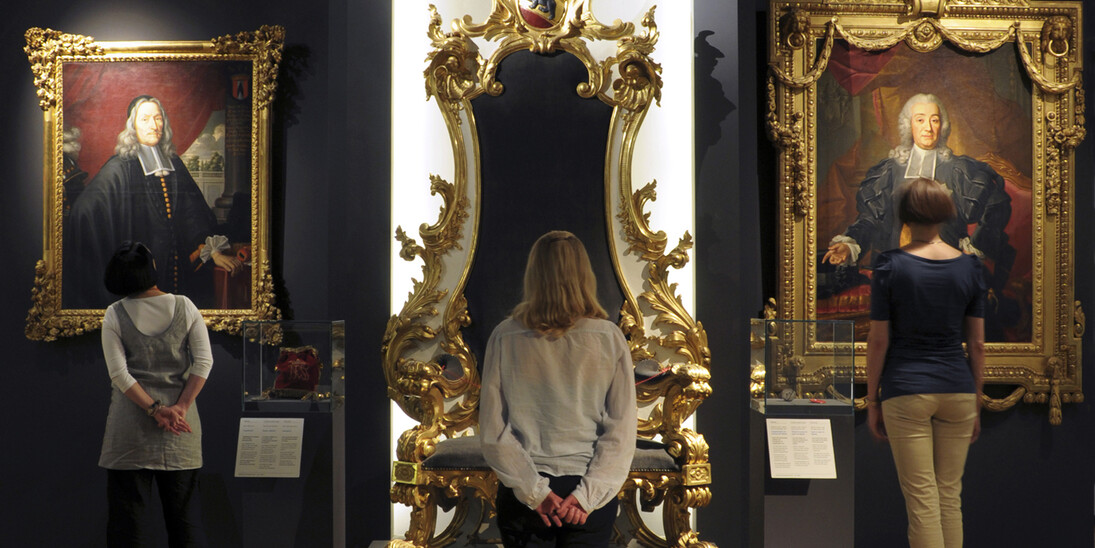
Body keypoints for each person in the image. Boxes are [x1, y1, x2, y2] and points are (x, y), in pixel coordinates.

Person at [480, 230, 637, 546]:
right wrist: (586, 497)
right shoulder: (608, 337)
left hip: (526, 498)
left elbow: (493, 431)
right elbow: (621, 431)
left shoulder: (505, 336)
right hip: (585, 496)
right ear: (583, 273)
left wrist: (535, 492)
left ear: (534, 273)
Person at [866, 178, 985, 548]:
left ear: (904, 215)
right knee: (949, 497)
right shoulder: (970, 268)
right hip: (958, 391)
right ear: (944, 214)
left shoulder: (889, 265)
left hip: (906, 389)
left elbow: (878, 340)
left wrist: (872, 400)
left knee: (922, 503)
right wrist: (976, 401)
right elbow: (977, 344)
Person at [67, 95, 241, 309]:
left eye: (158, 118)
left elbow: (193, 214)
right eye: (145, 119)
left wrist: (213, 252)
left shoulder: (173, 163)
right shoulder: (120, 167)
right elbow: (85, 210)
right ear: (132, 126)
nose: (154, 125)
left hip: (178, 274)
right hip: (141, 279)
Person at [98, 241, 212, 547]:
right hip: (180, 427)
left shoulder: (114, 314)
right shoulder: (185, 306)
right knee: (185, 522)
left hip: (129, 428)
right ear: (152, 269)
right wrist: (180, 407)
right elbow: (203, 362)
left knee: (128, 525)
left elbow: (119, 374)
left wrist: (154, 410)